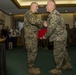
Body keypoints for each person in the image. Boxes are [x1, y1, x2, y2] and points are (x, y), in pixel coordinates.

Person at [43, 0, 73, 74]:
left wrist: (45, 36)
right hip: (60, 35)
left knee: (57, 52)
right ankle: (68, 63)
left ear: (52, 6)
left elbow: (51, 28)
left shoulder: (54, 14)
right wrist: (47, 24)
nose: (46, 6)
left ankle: (58, 69)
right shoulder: (52, 14)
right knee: (63, 49)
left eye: (47, 5)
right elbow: (52, 25)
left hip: (59, 36)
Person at [24, 2, 46, 74]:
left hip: (33, 38)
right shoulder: (29, 13)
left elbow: (35, 26)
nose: (38, 8)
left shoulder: (32, 15)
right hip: (30, 39)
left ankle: (33, 66)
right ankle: (31, 68)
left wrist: (41, 28)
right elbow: (33, 21)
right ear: (32, 6)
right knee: (31, 53)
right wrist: (43, 22)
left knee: (34, 53)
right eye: (37, 6)